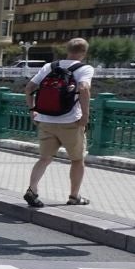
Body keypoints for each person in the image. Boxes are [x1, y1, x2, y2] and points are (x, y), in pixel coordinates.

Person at [23, 37, 95, 208]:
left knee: (44, 158)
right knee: (77, 160)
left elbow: (29, 88)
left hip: (46, 120)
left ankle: (32, 190)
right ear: (84, 53)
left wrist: (33, 110)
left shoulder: (50, 66)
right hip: (71, 122)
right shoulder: (84, 68)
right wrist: (85, 116)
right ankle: (74, 196)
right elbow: (84, 88)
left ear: (67, 50)